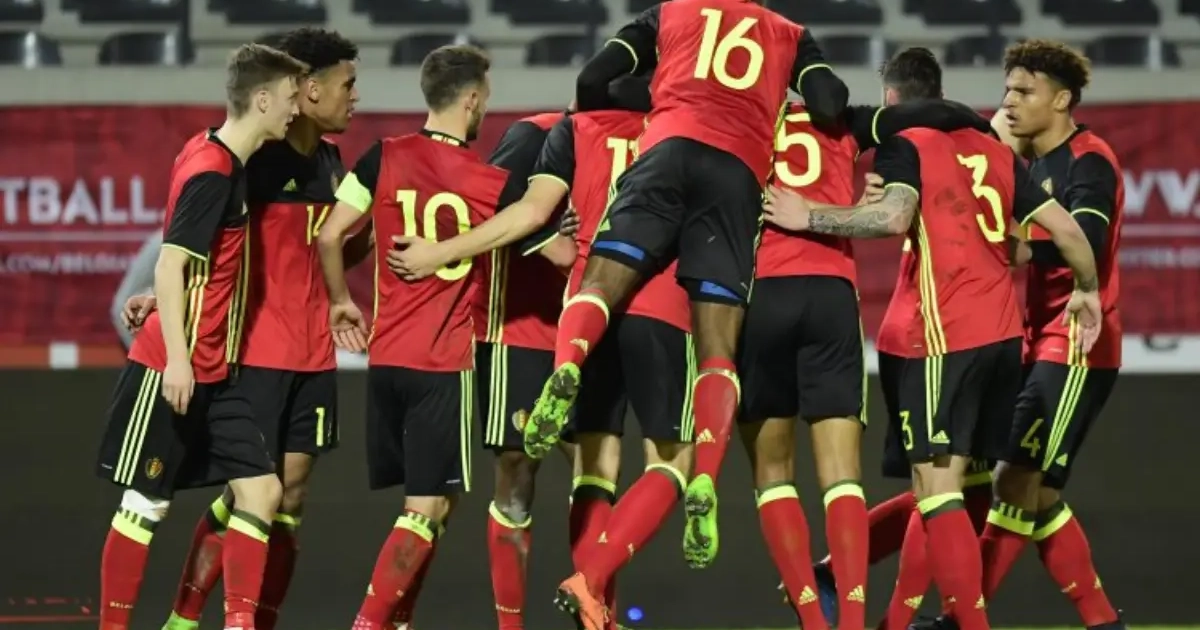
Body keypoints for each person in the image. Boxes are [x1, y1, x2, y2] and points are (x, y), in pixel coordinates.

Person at [764, 46, 1103, 630]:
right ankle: (897, 621)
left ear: (891, 99)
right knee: (960, 488)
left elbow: (892, 218)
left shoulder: (908, 143)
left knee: (937, 489)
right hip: (1003, 341)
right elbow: (1066, 232)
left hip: (942, 336)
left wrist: (809, 214)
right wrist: (1087, 289)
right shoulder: (994, 151)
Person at [141, 28, 363, 630]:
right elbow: (207, 247)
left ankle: (258, 619)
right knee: (250, 496)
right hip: (256, 352)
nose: (355, 96)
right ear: (308, 89)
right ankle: (185, 618)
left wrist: (359, 258)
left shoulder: (331, 162)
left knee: (291, 497)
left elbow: (322, 252)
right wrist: (157, 297)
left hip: (315, 356)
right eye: (346, 84)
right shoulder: (254, 160)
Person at [746, 98, 996, 630]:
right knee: (843, 477)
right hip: (831, 295)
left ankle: (815, 619)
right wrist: (982, 124)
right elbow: (928, 111)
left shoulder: (739, 119)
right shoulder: (844, 120)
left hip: (760, 293)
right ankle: (855, 621)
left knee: (773, 474)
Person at [912, 40, 1127, 630]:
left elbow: (1086, 240)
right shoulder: (1025, 161)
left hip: (1076, 345)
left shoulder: (1089, 162)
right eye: (1007, 89)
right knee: (1040, 495)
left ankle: (960, 618)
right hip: (1034, 341)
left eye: (1025, 91)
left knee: (1013, 480)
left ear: (1061, 100)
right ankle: (1104, 623)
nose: (1009, 101)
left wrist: (1024, 246)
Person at [93, 43, 306, 630]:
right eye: (290, 98)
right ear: (261, 99)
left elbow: (186, 262)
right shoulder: (214, 171)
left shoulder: (209, 151)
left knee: (261, 492)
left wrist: (164, 300)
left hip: (217, 368)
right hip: (175, 366)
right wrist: (179, 359)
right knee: (145, 504)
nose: (295, 109)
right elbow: (170, 263)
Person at [313, 44, 517, 630]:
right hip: (441, 363)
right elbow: (548, 243)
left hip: (388, 360)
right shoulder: (486, 181)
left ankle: (398, 621)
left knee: (440, 505)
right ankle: (370, 623)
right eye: (485, 100)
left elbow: (328, 236)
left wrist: (341, 302)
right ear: (472, 100)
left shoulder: (382, 156)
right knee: (425, 509)